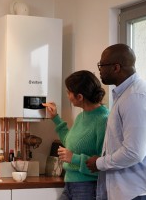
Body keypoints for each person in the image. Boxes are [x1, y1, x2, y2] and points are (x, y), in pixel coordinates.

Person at [86, 43, 146, 200]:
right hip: (134, 191)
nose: (99, 70)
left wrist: (99, 163)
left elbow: (134, 152)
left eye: (101, 65)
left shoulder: (135, 97)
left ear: (116, 67)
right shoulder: (126, 95)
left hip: (143, 191)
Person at [42, 70, 108, 200]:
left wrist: (74, 158)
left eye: (69, 92)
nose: (67, 96)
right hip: (70, 184)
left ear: (79, 97)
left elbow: (104, 162)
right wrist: (55, 117)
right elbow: (69, 142)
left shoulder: (103, 120)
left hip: (88, 187)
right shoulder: (81, 116)